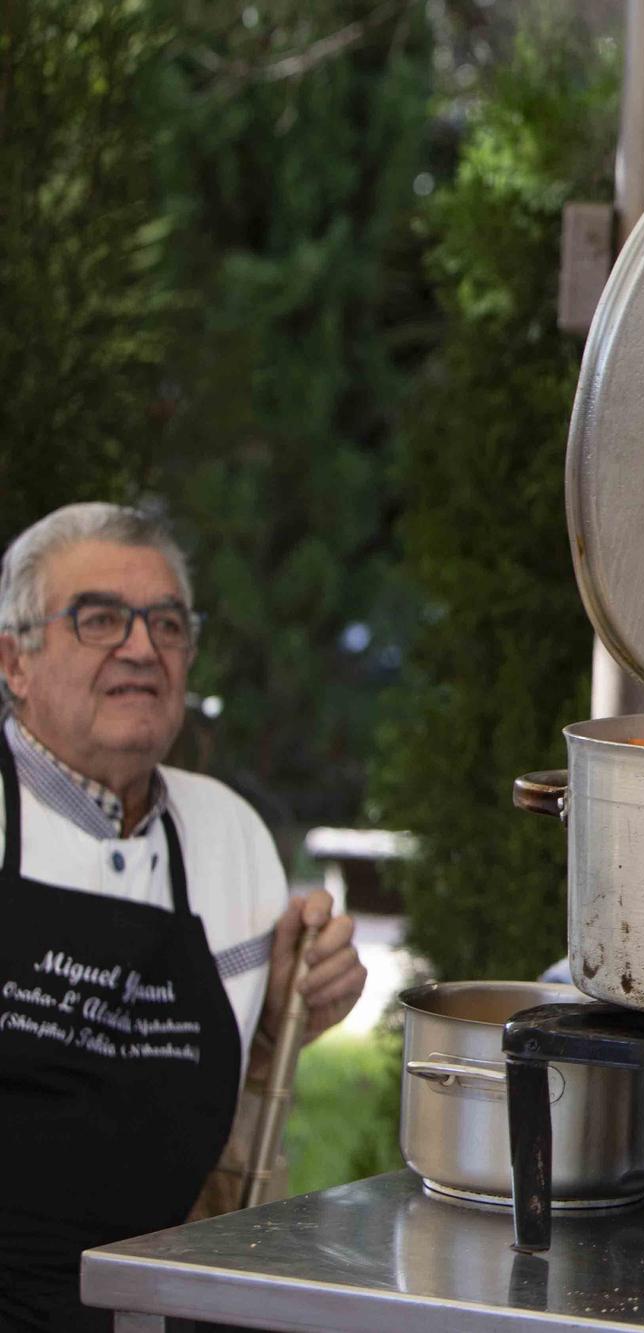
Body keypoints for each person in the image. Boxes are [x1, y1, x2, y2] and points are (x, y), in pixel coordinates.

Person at [0, 502, 368, 1331]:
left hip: (156, 1311)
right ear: (14, 660)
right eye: (99, 619)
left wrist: (283, 1017)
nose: (141, 647)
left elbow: (226, 1120)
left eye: (166, 623)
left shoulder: (230, 837)